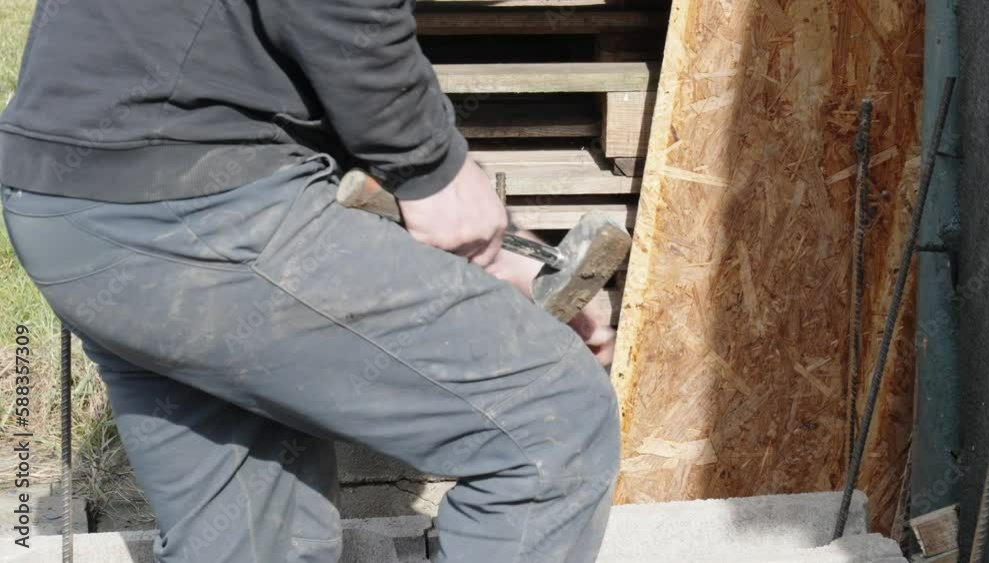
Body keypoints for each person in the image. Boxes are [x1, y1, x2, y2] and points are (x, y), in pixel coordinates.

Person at [0, 1, 621, 562]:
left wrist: (494, 244)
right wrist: (430, 165)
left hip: (74, 205)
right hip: (193, 207)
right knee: (550, 418)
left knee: (254, 538)